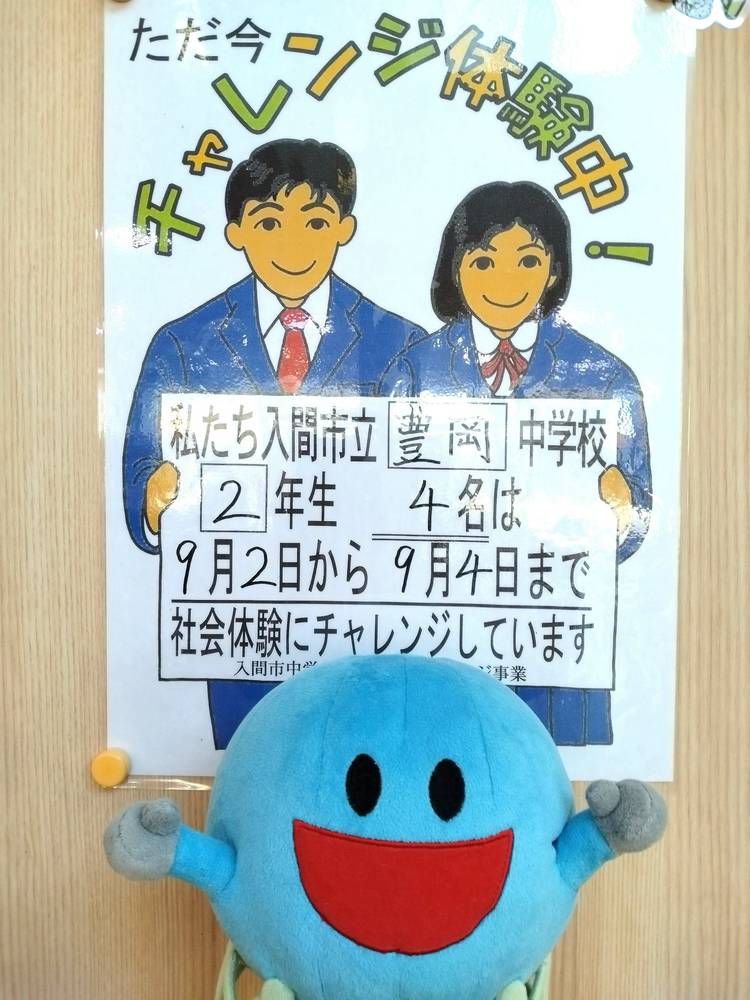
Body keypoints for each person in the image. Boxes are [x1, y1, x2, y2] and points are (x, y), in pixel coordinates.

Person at [123, 138, 426, 748]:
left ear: (344, 229)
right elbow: (141, 465)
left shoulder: (400, 342)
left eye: (314, 223)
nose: (292, 245)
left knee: (365, 753)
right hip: (240, 622)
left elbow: (433, 476)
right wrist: (154, 498)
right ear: (236, 232)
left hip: (365, 619)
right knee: (248, 769)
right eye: (268, 223)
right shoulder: (183, 342)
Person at [379, 180, 651, 746]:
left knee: (554, 765)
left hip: (555, 636)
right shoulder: (414, 370)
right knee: (431, 749)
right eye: (483, 262)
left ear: (553, 271)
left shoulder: (605, 377)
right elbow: (376, 502)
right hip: (437, 625)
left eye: (527, 261)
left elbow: (637, 520)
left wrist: (621, 514)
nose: (505, 283)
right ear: (455, 270)